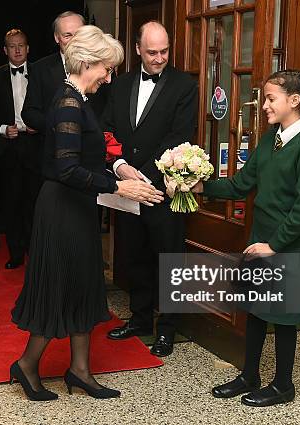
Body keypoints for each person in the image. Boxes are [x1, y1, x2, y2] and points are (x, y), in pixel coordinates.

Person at [10, 25, 164, 402]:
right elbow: (65, 168)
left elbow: (89, 156)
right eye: (106, 69)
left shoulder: (78, 99)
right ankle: (27, 365)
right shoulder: (67, 102)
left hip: (77, 207)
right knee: (58, 287)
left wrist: (119, 168)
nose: (109, 77)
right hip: (61, 209)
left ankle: (80, 370)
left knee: (82, 285)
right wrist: (117, 186)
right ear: (88, 62)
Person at [193, 69, 300, 407]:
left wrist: (273, 245)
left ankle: (283, 385)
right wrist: (202, 186)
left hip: (285, 244)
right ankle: (249, 375)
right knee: (255, 310)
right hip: (260, 239)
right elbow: (241, 184)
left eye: (270, 99)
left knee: (283, 317)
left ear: (294, 101)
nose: (263, 105)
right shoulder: (271, 138)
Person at [102, 21, 198, 357]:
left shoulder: (184, 86)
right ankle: (140, 319)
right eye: (152, 52)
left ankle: (167, 328)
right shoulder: (121, 84)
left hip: (161, 190)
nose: (159, 58)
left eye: (164, 51)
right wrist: (120, 171)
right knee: (134, 255)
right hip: (127, 188)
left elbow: (179, 136)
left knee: (168, 259)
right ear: (139, 50)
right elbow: (108, 129)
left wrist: (143, 178)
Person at [0, 29, 39, 269]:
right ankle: (16, 253)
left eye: (21, 45)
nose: (17, 50)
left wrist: (39, 126)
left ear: (28, 48)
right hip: (8, 146)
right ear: (4, 50)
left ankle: (35, 252)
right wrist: (1, 129)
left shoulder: (42, 73)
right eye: (12, 46)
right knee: (11, 202)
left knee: (36, 202)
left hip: (36, 145)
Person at [21, 11, 85, 134]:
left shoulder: (100, 67)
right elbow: (29, 112)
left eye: (79, 34)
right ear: (57, 37)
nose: (74, 41)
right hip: (53, 146)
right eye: (68, 35)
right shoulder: (40, 68)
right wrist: (58, 125)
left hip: (90, 147)